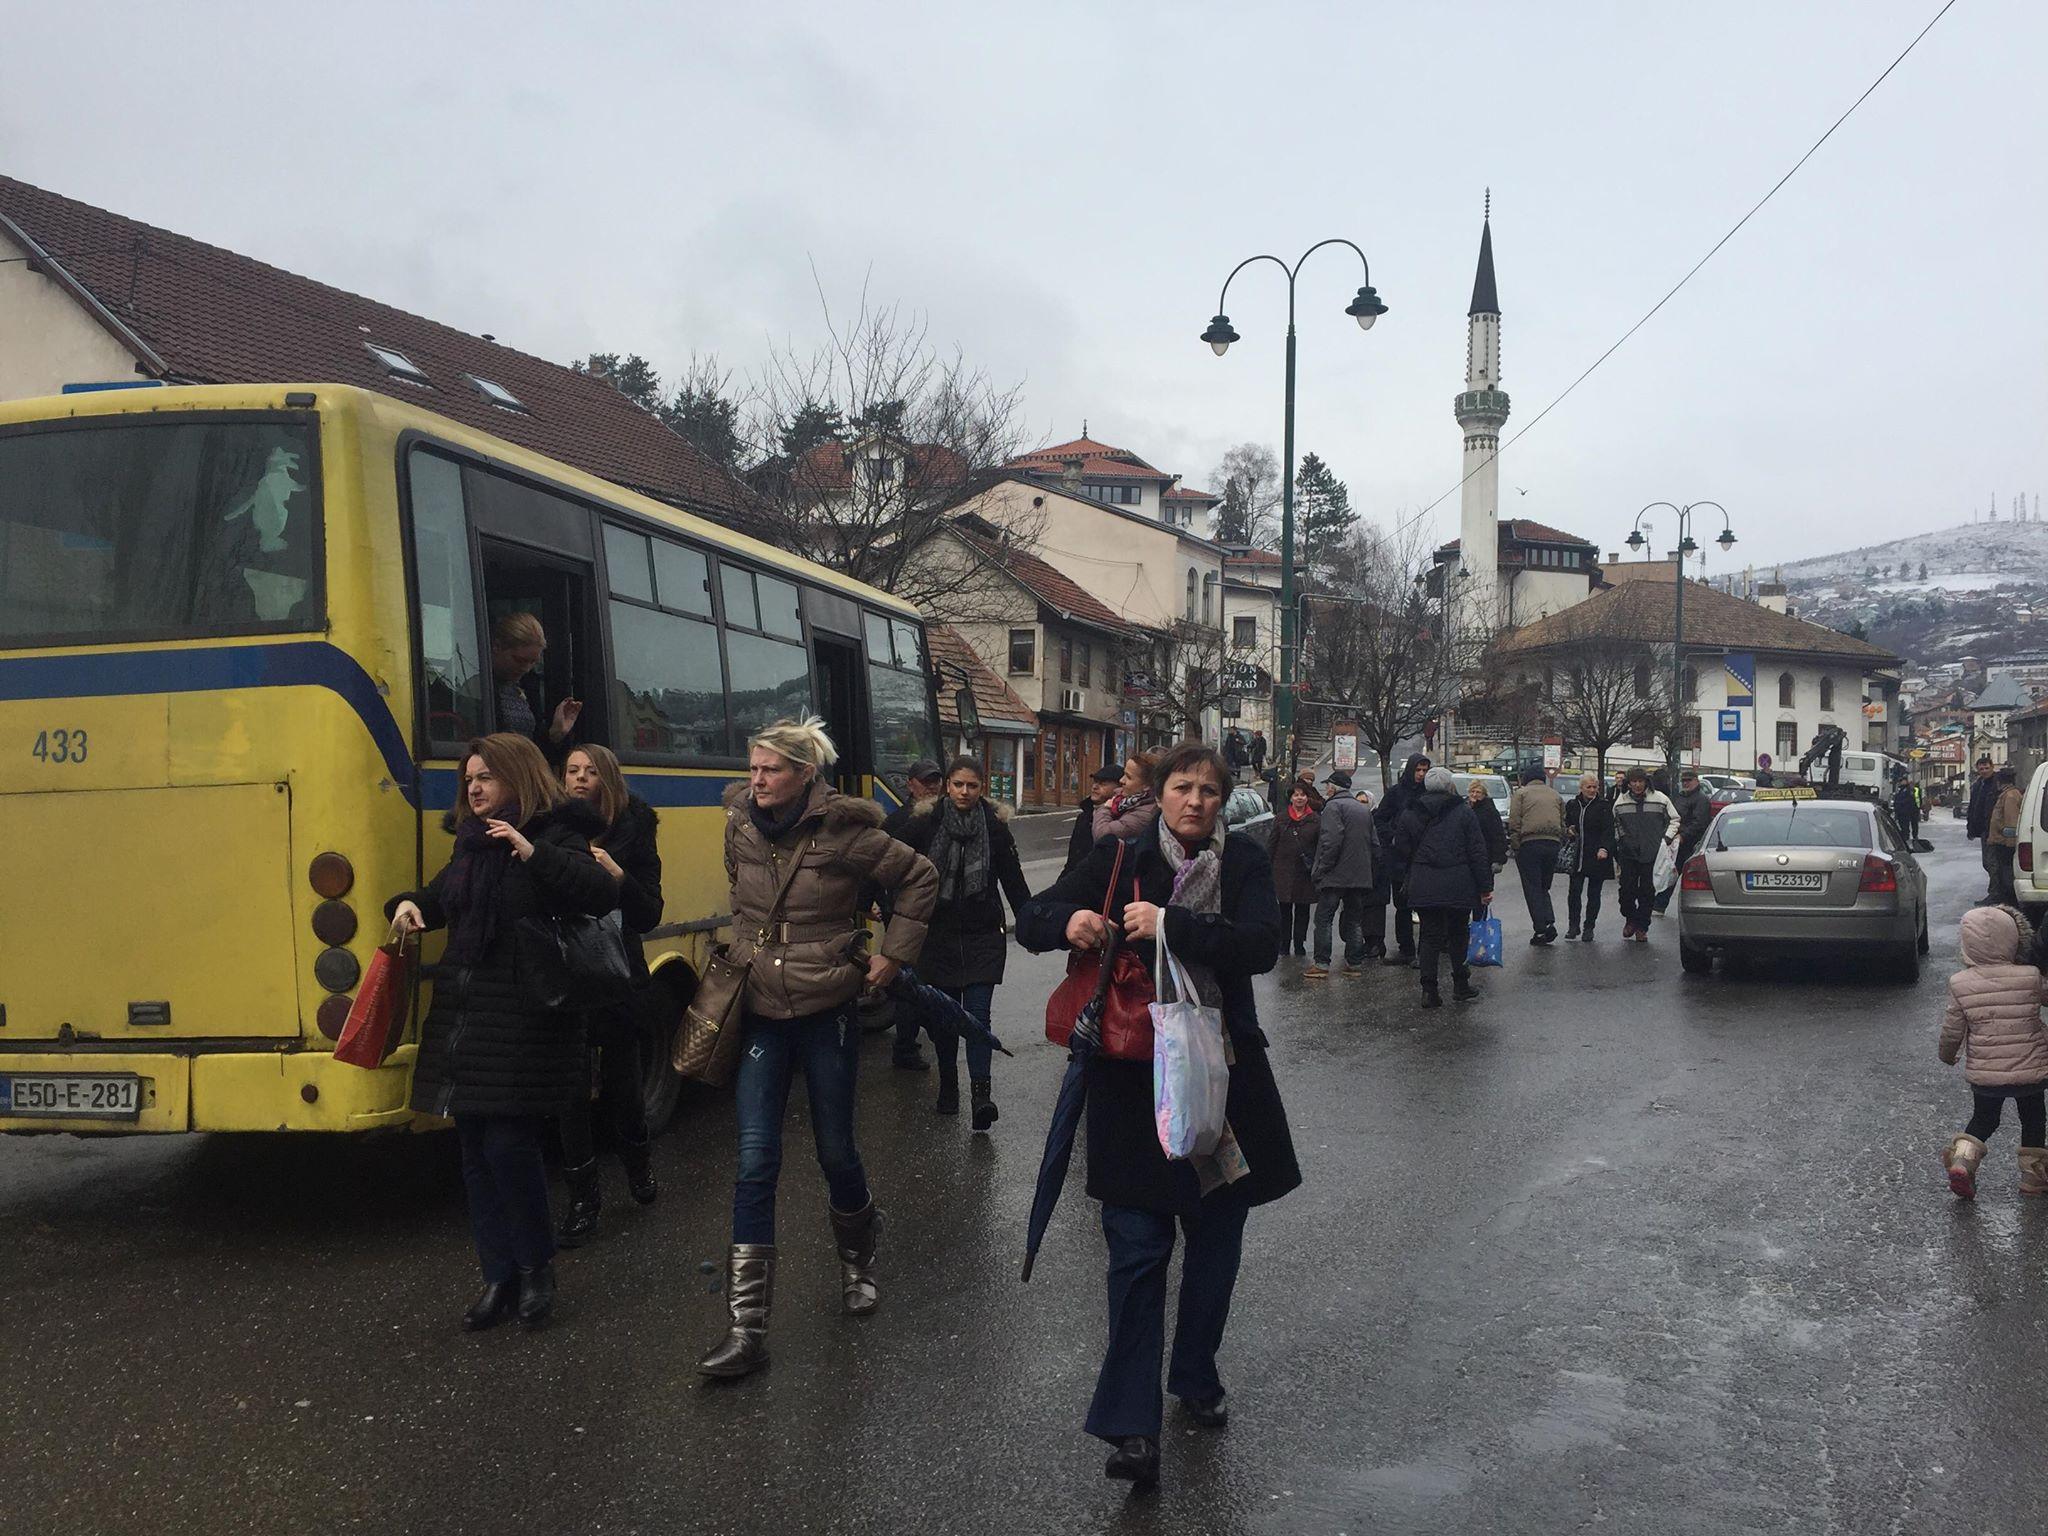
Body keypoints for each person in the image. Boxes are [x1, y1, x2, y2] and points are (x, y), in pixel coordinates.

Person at [1017, 743, 1299, 1491]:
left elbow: (1262, 948)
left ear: (1223, 801)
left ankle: (1196, 1370)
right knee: (1137, 1251)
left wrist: (1172, 923)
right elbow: (1032, 919)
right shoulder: (1121, 857)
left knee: (1214, 1239)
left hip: (1222, 1082)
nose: (1196, 801)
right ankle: (1131, 1428)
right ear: (1161, 794)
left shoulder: (1239, 866)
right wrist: (1072, 920)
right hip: (1132, 1084)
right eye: (1183, 787)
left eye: (1210, 790)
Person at [698, 718, 937, 1379]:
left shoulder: (846, 831)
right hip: (760, 1009)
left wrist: (892, 959)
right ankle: (746, 1330)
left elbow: (919, 878)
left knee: (835, 1148)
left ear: (806, 774)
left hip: (827, 1007)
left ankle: (858, 1262)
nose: (757, 780)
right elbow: (743, 901)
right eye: (753, 768)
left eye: (771, 769)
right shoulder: (739, 825)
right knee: (754, 1159)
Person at [385, 733, 618, 1332]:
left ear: (517, 776)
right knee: (473, 1151)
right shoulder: (469, 844)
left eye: (486, 776)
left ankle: (537, 1269)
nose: (475, 787)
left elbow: (597, 891)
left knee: (508, 1146)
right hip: (468, 1008)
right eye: (469, 780)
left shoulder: (556, 831)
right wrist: (410, 906)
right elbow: (439, 897)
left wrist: (529, 851)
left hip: (526, 1011)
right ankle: (499, 1276)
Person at [555, 745, 664, 1247]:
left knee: (624, 1082)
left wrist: (618, 877)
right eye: (572, 771)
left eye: (590, 771)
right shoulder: (552, 828)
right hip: (567, 974)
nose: (579, 779)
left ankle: (638, 1166)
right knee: (570, 1091)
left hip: (617, 970)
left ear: (609, 778)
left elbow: (648, 914)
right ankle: (583, 1198)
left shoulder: (634, 830)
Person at [895, 756, 1033, 1128]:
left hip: (982, 935)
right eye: (958, 784)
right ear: (948, 785)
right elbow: (892, 866)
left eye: (972, 786)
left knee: (977, 1016)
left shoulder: (995, 827)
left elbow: (1013, 880)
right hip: (935, 935)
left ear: (981, 788)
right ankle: (949, 1084)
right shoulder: (924, 824)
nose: (965, 792)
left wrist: (1033, 924)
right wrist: (882, 905)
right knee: (943, 1018)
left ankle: (981, 1095)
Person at [1938, 905, 2048, 1200]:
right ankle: (2033, 1177)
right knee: (2034, 1120)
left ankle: (1963, 1161)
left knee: (1985, 1119)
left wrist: (1948, 1055)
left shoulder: (1960, 984)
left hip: (1986, 1073)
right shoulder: (2030, 976)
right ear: (2015, 939)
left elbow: (1952, 1029)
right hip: (2031, 1069)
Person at [1394, 766, 1492, 1007]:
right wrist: (1485, 886)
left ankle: (1429, 990)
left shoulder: (1410, 812)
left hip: (1424, 881)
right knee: (1459, 934)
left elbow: (1401, 848)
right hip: (1458, 882)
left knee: (1429, 936)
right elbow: (1477, 851)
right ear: (1450, 786)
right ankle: (1460, 984)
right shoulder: (1463, 812)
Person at [883, 760, 947, 1071]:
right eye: (925, 781)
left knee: (917, 980)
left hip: (931, 912)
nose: (932, 786)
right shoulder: (899, 822)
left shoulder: (944, 815)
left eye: (936, 781)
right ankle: (907, 1046)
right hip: (904, 913)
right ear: (910, 784)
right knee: (911, 981)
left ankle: (912, 1041)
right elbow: (879, 864)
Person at [1305, 769, 1376, 979]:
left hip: (1335, 875)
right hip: (1359, 875)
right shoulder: (1363, 810)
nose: (1326, 789)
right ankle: (1354, 962)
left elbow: (1331, 841)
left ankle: (1321, 963)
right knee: (1354, 919)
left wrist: (1320, 869)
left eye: (1328, 785)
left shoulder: (1333, 807)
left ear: (1334, 788)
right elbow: (1374, 844)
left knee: (1324, 918)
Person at [490, 613, 581, 753]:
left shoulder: (527, 687)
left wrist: (555, 734)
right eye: (519, 660)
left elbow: (535, 749)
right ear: (497, 647)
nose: (526, 669)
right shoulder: (478, 688)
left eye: (533, 662)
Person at [1374, 753, 1433, 966]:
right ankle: (1406, 948)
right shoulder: (1396, 793)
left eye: (1425, 771)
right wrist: (1392, 836)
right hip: (1399, 858)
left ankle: (1426, 951)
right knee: (1403, 906)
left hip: (1424, 857)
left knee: (1426, 907)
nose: (1421, 775)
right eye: (1418, 770)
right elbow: (1379, 818)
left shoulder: (1430, 793)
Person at [1611, 766, 1679, 943]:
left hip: (1653, 853)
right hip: (1628, 853)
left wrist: (1666, 839)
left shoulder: (1660, 799)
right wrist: (1622, 840)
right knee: (1626, 890)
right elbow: (1615, 824)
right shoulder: (1621, 802)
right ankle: (1630, 919)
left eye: (1640, 781)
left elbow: (1674, 819)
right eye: (1634, 782)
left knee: (1647, 892)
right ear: (1629, 783)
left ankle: (1642, 927)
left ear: (1646, 782)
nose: (1637, 785)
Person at [1267, 779, 1325, 958]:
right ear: (1291, 798)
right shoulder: (1281, 818)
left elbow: (1320, 846)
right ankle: (1284, 944)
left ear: (1307, 798)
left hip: (1305, 873)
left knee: (1302, 911)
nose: (1299, 798)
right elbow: (1272, 844)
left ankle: (1299, 943)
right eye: (1296, 795)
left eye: (1302, 795)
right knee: (1284, 911)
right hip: (1283, 871)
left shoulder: (1315, 820)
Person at [1507, 766, 1563, 944]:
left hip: (1530, 843)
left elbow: (1514, 821)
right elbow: (1562, 820)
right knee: (1544, 886)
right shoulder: (1555, 795)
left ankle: (1540, 929)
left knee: (1532, 887)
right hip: (1552, 843)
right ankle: (1549, 921)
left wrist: (1516, 845)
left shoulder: (1521, 794)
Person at [1561, 772, 1616, 941]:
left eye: (1595, 787)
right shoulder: (1572, 804)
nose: (1592, 790)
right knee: (1574, 892)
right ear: (1581, 788)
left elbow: (1609, 830)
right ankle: (1573, 925)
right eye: (1588, 787)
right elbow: (1566, 824)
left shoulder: (1603, 806)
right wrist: (1568, 830)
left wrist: (1604, 848)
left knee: (1594, 893)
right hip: (1578, 855)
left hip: (1596, 855)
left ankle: (1589, 927)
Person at [1653, 768, 1714, 916]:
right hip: (1675, 842)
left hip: (1691, 844)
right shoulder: (1679, 797)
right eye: (1684, 781)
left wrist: (1683, 836)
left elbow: (1699, 823)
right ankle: (1659, 905)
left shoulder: (1701, 799)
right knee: (1670, 872)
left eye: (1689, 781)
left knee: (1690, 876)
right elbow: (1671, 817)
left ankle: (1697, 907)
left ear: (1696, 782)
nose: (1686, 783)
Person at [1066, 764, 1125, 877]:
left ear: (1119, 788)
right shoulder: (1084, 817)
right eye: (1095, 782)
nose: (1095, 787)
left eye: (1103, 783)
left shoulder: (1121, 819)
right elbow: (1072, 859)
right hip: (1076, 880)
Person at [1466, 780, 1508, 929]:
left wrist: (1499, 859)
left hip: (1486, 858)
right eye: (1472, 792)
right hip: (1467, 859)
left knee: (1482, 896)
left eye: (1478, 792)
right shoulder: (1465, 809)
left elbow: (1498, 835)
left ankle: (1479, 926)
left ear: (1484, 794)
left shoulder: (1489, 811)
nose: (1474, 795)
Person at [1094, 752, 1160, 841]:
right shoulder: (1122, 800)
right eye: (1124, 774)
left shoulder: (1144, 815)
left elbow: (1102, 834)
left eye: (1128, 777)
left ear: (1147, 786)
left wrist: (1104, 809)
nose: (1121, 780)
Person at [1966, 756, 2000, 906]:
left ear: (1992, 767)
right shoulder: (1978, 784)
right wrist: (1971, 827)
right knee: (1987, 863)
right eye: (1981, 769)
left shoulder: (1997, 784)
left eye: (1986, 768)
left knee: (1992, 862)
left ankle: (1995, 894)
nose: (1984, 771)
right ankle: (1996, 892)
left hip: (1994, 829)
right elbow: (1973, 807)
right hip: (1983, 830)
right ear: (1977, 769)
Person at [1987, 766, 2023, 908]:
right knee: (2002, 871)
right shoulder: (2007, 794)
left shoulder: (2010, 796)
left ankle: (2008, 900)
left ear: (2000, 781)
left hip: (2005, 843)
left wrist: (2010, 843)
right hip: (2001, 840)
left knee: (2006, 872)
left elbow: (2011, 821)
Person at [1892, 771, 1921, 845]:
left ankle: (1911, 838)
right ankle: (1906, 839)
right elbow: (1897, 799)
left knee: (1910, 826)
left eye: (1903, 781)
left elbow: (1909, 800)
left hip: (1909, 811)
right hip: (1902, 812)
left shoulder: (1909, 790)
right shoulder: (1900, 790)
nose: (1901, 782)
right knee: (1904, 827)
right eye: (1901, 781)